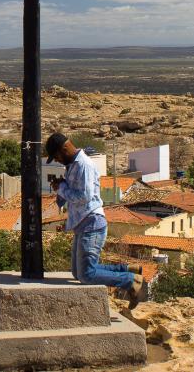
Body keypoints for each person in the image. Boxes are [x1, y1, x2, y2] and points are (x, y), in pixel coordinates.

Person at [44, 132, 145, 309]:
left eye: (57, 157)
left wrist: (62, 188)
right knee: (78, 273)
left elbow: (84, 196)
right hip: (82, 224)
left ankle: (131, 281)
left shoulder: (84, 165)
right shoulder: (73, 166)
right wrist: (61, 188)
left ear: (65, 148)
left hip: (91, 223)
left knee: (87, 275)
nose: (58, 161)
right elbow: (73, 193)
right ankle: (128, 269)